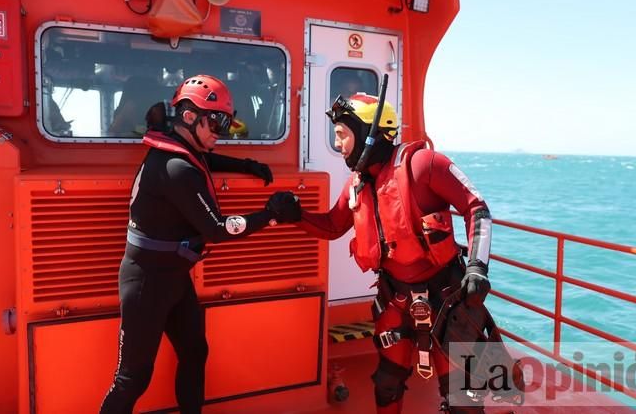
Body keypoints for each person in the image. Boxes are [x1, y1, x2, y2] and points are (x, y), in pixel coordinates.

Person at [100, 75, 298, 414]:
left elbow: (209, 160)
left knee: (194, 351)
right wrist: (270, 214)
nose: (220, 132)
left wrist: (248, 166)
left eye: (225, 122)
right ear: (190, 117)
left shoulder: (184, 152)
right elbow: (218, 230)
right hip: (147, 281)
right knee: (132, 378)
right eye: (217, 122)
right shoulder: (175, 169)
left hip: (173, 277)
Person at [294, 93, 493, 414]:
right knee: (386, 383)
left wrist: (477, 267)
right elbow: (332, 226)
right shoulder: (357, 184)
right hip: (395, 300)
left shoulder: (425, 165)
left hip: (446, 300)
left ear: (369, 133)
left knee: (463, 396)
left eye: (342, 135)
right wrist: (294, 214)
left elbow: (477, 208)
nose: (338, 144)